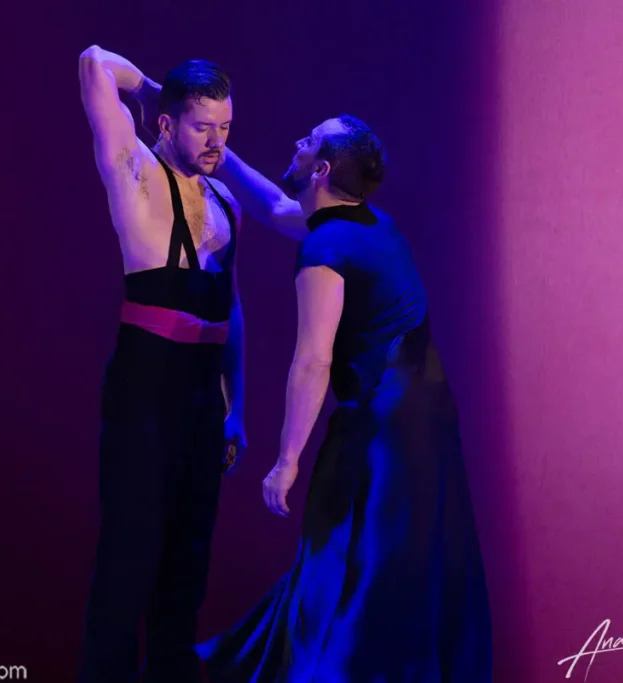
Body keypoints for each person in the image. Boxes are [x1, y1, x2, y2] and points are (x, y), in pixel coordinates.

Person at [195, 116, 493, 681]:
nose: (297, 143)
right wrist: (221, 151)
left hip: (385, 432)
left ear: (321, 169)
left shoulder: (326, 249)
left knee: (351, 569)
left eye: (309, 141)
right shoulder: (371, 223)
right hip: (426, 421)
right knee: (385, 568)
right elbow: (279, 209)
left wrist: (286, 461)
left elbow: (313, 360)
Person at [76, 46, 247, 683]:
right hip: (146, 386)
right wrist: (155, 90)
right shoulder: (137, 174)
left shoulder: (226, 203)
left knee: (189, 556)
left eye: (225, 127)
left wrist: (236, 407)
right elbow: (94, 63)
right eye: (202, 126)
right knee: (130, 554)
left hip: (203, 395)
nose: (216, 141)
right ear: (168, 124)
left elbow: (232, 310)